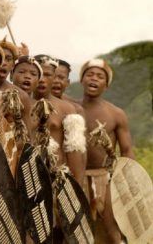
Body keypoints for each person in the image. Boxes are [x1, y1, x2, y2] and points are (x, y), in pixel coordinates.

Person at [80, 59, 134, 243]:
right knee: (79, 231)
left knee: (112, 230)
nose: (94, 79)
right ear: (82, 80)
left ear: (106, 84)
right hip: (77, 177)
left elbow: (127, 150)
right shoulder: (71, 108)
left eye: (99, 76)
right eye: (89, 74)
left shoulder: (116, 114)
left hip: (106, 177)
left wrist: (127, 182)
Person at [32, 55, 87, 186]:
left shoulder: (67, 109)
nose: (42, 79)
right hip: (27, 179)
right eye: (38, 73)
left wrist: (77, 187)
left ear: (54, 77)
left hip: (57, 179)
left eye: (47, 75)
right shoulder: (20, 105)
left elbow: (75, 151)